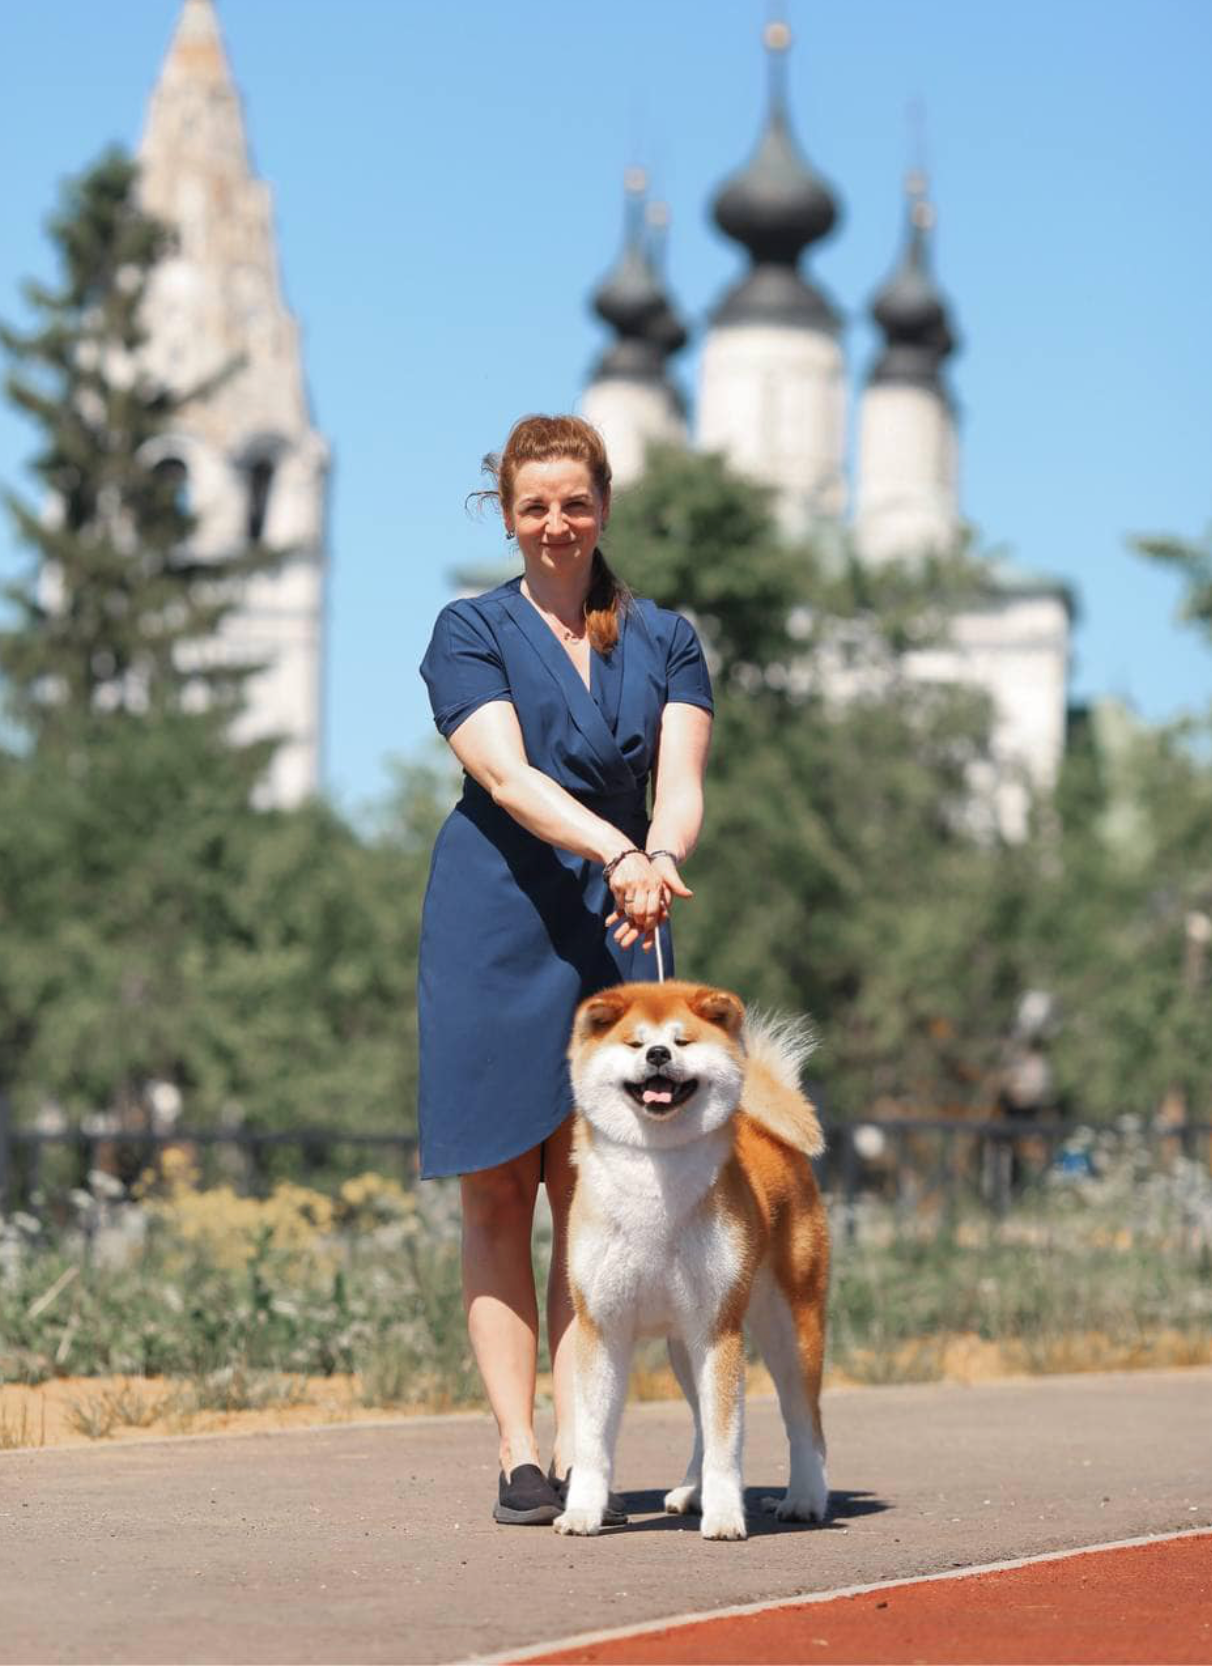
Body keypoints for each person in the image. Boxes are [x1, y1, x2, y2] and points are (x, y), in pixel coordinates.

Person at [417, 414, 714, 1525]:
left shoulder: (669, 638)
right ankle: (517, 1450)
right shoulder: (470, 630)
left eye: (573, 502)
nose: (555, 523)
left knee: (598, 1197)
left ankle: (584, 1437)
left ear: (603, 507)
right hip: (496, 920)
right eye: (533, 504)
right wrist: (619, 847)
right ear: (507, 514)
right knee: (500, 1185)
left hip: (626, 921)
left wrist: (661, 856)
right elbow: (503, 774)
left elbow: (679, 778)